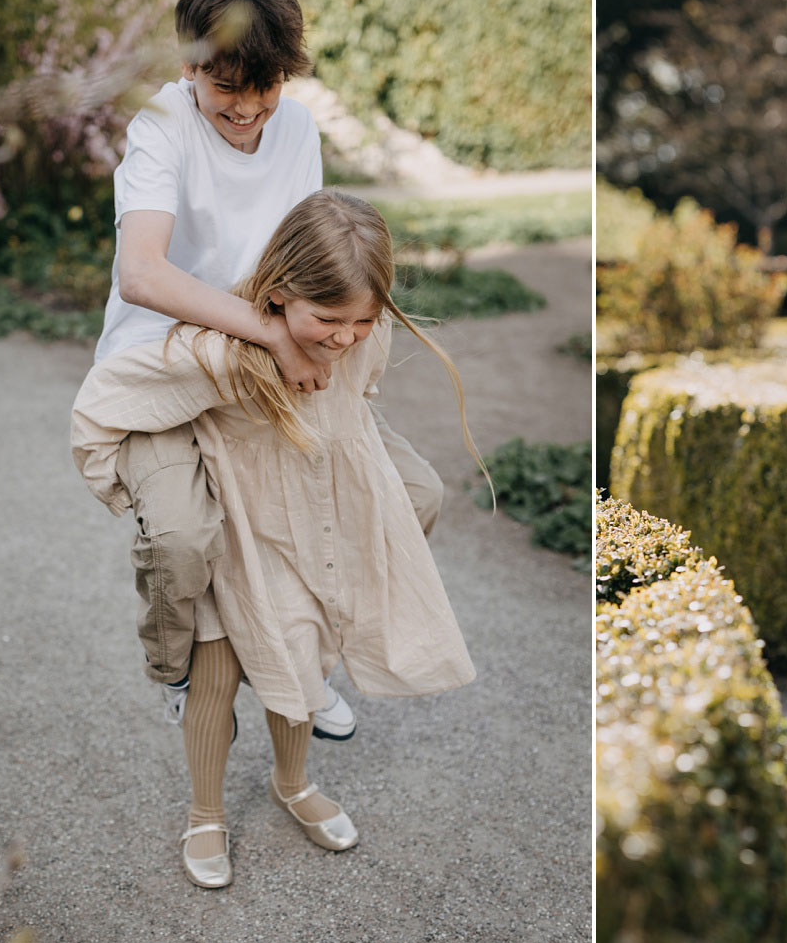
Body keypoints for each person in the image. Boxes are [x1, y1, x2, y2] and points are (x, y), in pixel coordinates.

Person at [72, 190, 482, 888]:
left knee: (302, 661)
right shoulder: (219, 352)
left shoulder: (362, 338)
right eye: (329, 319)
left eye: (364, 319)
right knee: (217, 677)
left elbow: (357, 406)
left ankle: (291, 783)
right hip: (233, 535)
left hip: (309, 533)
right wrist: (126, 489)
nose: (347, 336)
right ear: (283, 292)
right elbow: (104, 404)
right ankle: (206, 813)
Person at [97, 0, 443, 743]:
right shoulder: (159, 128)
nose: (249, 114)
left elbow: (307, 256)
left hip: (266, 354)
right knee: (184, 539)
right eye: (229, 98)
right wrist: (273, 335)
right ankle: (175, 668)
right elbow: (144, 274)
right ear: (191, 67)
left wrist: (317, 336)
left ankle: (305, 660)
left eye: (268, 93)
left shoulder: (297, 128)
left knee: (412, 495)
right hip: (167, 363)